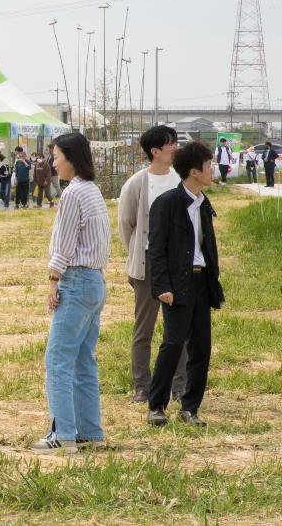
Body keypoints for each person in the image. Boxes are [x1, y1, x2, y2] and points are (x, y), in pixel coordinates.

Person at [31, 133, 110, 453]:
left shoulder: (73, 194)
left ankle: (62, 433)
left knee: (58, 361)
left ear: (71, 158)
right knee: (82, 362)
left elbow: (63, 245)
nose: (53, 162)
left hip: (76, 282)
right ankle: (90, 431)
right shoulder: (92, 191)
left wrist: (53, 281)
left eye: (57, 156)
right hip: (94, 281)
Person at [147, 141, 225, 428]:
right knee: (173, 343)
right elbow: (156, 250)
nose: (212, 169)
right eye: (209, 165)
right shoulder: (166, 204)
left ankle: (190, 408)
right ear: (194, 171)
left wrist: (213, 284)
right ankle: (156, 405)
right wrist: (161, 286)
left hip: (201, 282)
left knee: (201, 347)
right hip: (176, 284)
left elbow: (208, 247)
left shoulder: (204, 204)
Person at [117, 125, 187, 405]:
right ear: (156, 151)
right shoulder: (136, 183)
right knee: (143, 328)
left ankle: (179, 386)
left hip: (177, 264)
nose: (175, 147)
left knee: (178, 330)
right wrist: (136, 255)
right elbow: (126, 225)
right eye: (172, 143)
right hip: (146, 264)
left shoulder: (181, 180)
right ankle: (141, 386)